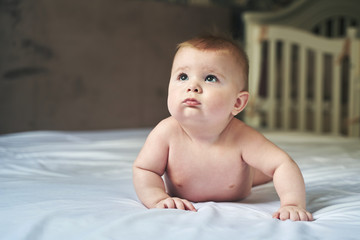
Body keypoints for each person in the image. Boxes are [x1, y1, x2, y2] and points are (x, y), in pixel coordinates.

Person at [132, 34, 313, 221]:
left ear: (237, 102)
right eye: (183, 76)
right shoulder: (166, 132)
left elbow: (282, 164)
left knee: (262, 172)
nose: (192, 86)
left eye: (210, 78)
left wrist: (292, 203)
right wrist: (157, 198)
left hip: (246, 176)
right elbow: (145, 169)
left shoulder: (242, 137)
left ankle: (258, 173)